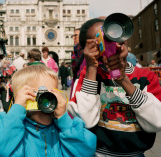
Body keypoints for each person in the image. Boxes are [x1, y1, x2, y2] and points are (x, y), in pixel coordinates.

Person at [68, 18, 161, 157]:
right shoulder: (89, 76)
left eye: (115, 32)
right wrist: (91, 68)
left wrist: (123, 80)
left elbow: (157, 122)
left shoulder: (145, 77)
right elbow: (86, 121)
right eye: (105, 39)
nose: (115, 40)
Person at [0, 65, 96, 157]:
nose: (47, 103)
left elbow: (86, 150)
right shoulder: (13, 131)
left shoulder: (62, 130)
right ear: (21, 98)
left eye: (52, 95)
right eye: (41, 96)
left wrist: (64, 119)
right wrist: (16, 111)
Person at [70, 28, 86, 98]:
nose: (74, 38)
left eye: (76, 35)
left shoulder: (85, 50)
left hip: (82, 82)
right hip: (76, 79)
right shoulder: (76, 50)